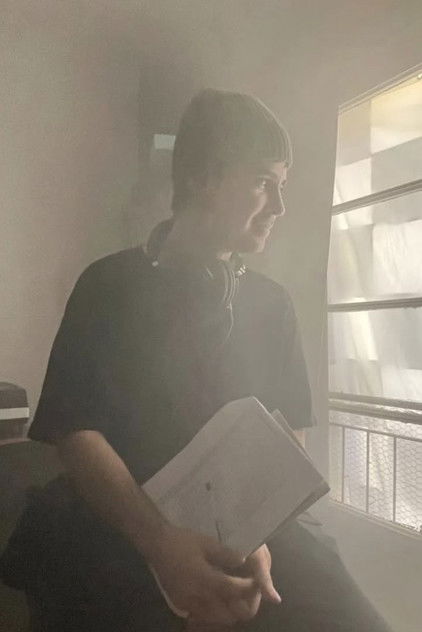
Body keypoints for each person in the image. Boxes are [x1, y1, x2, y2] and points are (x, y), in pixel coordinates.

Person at [1, 89, 391, 632]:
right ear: (204, 177)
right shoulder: (107, 284)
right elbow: (76, 432)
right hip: (122, 523)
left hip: (251, 535)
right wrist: (162, 547)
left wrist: (252, 538)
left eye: (282, 185)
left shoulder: (273, 303)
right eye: (263, 182)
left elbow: (289, 435)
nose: (279, 206)